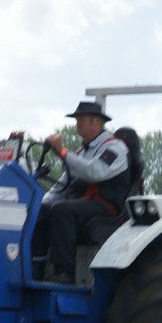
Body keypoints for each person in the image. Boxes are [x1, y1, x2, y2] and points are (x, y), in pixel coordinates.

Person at [32, 101, 130, 283]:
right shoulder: (81, 152)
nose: (76, 124)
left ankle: (64, 272)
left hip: (106, 207)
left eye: (80, 120)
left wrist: (62, 152)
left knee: (62, 210)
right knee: (41, 211)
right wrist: (41, 203)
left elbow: (94, 172)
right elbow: (62, 185)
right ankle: (35, 268)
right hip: (84, 204)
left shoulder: (115, 148)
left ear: (95, 122)